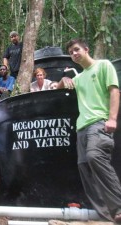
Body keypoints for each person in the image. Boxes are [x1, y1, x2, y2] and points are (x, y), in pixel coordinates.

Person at [57, 38, 121, 223]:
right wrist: (63, 80)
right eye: (71, 52)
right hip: (81, 128)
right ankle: (107, 216)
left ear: (86, 49)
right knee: (84, 167)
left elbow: (114, 91)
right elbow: (56, 88)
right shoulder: (79, 78)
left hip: (99, 123)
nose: (74, 54)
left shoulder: (103, 66)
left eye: (76, 50)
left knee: (95, 156)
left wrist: (112, 119)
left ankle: (118, 206)